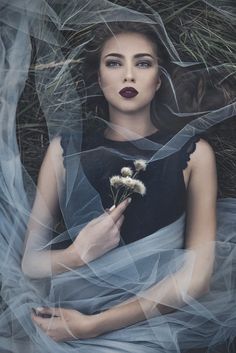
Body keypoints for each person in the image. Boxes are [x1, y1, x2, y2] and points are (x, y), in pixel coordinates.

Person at [20, 21, 221, 351]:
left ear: (158, 80)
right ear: (100, 78)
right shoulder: (63, 149)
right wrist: (77, 253)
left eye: (143, 63)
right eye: (114, 63)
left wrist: (94, 326)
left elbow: (197, 277)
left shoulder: (194, 154)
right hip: (66, 319)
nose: (128, 75)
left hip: (153, 327)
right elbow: (30, 262)